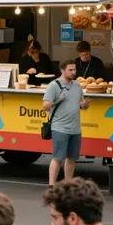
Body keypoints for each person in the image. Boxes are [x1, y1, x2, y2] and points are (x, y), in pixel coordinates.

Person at [43, 58, 89, 186]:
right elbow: (45, 106)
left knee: (72, 158)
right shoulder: (53, 86)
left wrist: (84, 105)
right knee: (58, 158)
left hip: (75, 128)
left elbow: (80, 102)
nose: (74, 72)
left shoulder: (77, 86)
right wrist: (57, 100)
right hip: (60, 128)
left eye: (75, 69)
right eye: (70, 70)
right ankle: (52, 185)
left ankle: (68, 184)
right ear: (62, 70)